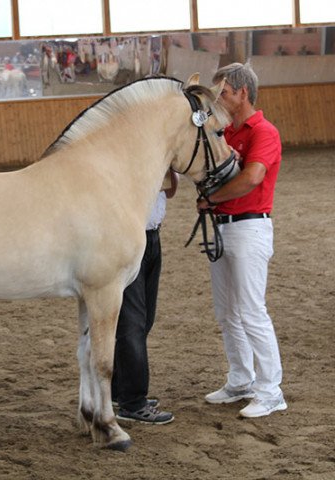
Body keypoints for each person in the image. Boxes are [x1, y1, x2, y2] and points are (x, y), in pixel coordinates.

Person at [197, 62, 287, 418]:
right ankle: (241, 379)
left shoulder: (263, 132)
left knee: (251, 311)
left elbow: (252, 178)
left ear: (242, 93)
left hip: (249, 227)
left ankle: (270, 390)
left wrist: (212, 199)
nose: (219, 99)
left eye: (224, 93)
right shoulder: (226, 133)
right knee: (228, 313)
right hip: (224, 226)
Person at [112, 170, 178, 425]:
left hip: (152, 238)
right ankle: (133, 402)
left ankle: (120, 390)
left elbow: (170, 191)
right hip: (131, 239)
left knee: (144, 319)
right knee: (132, 324)